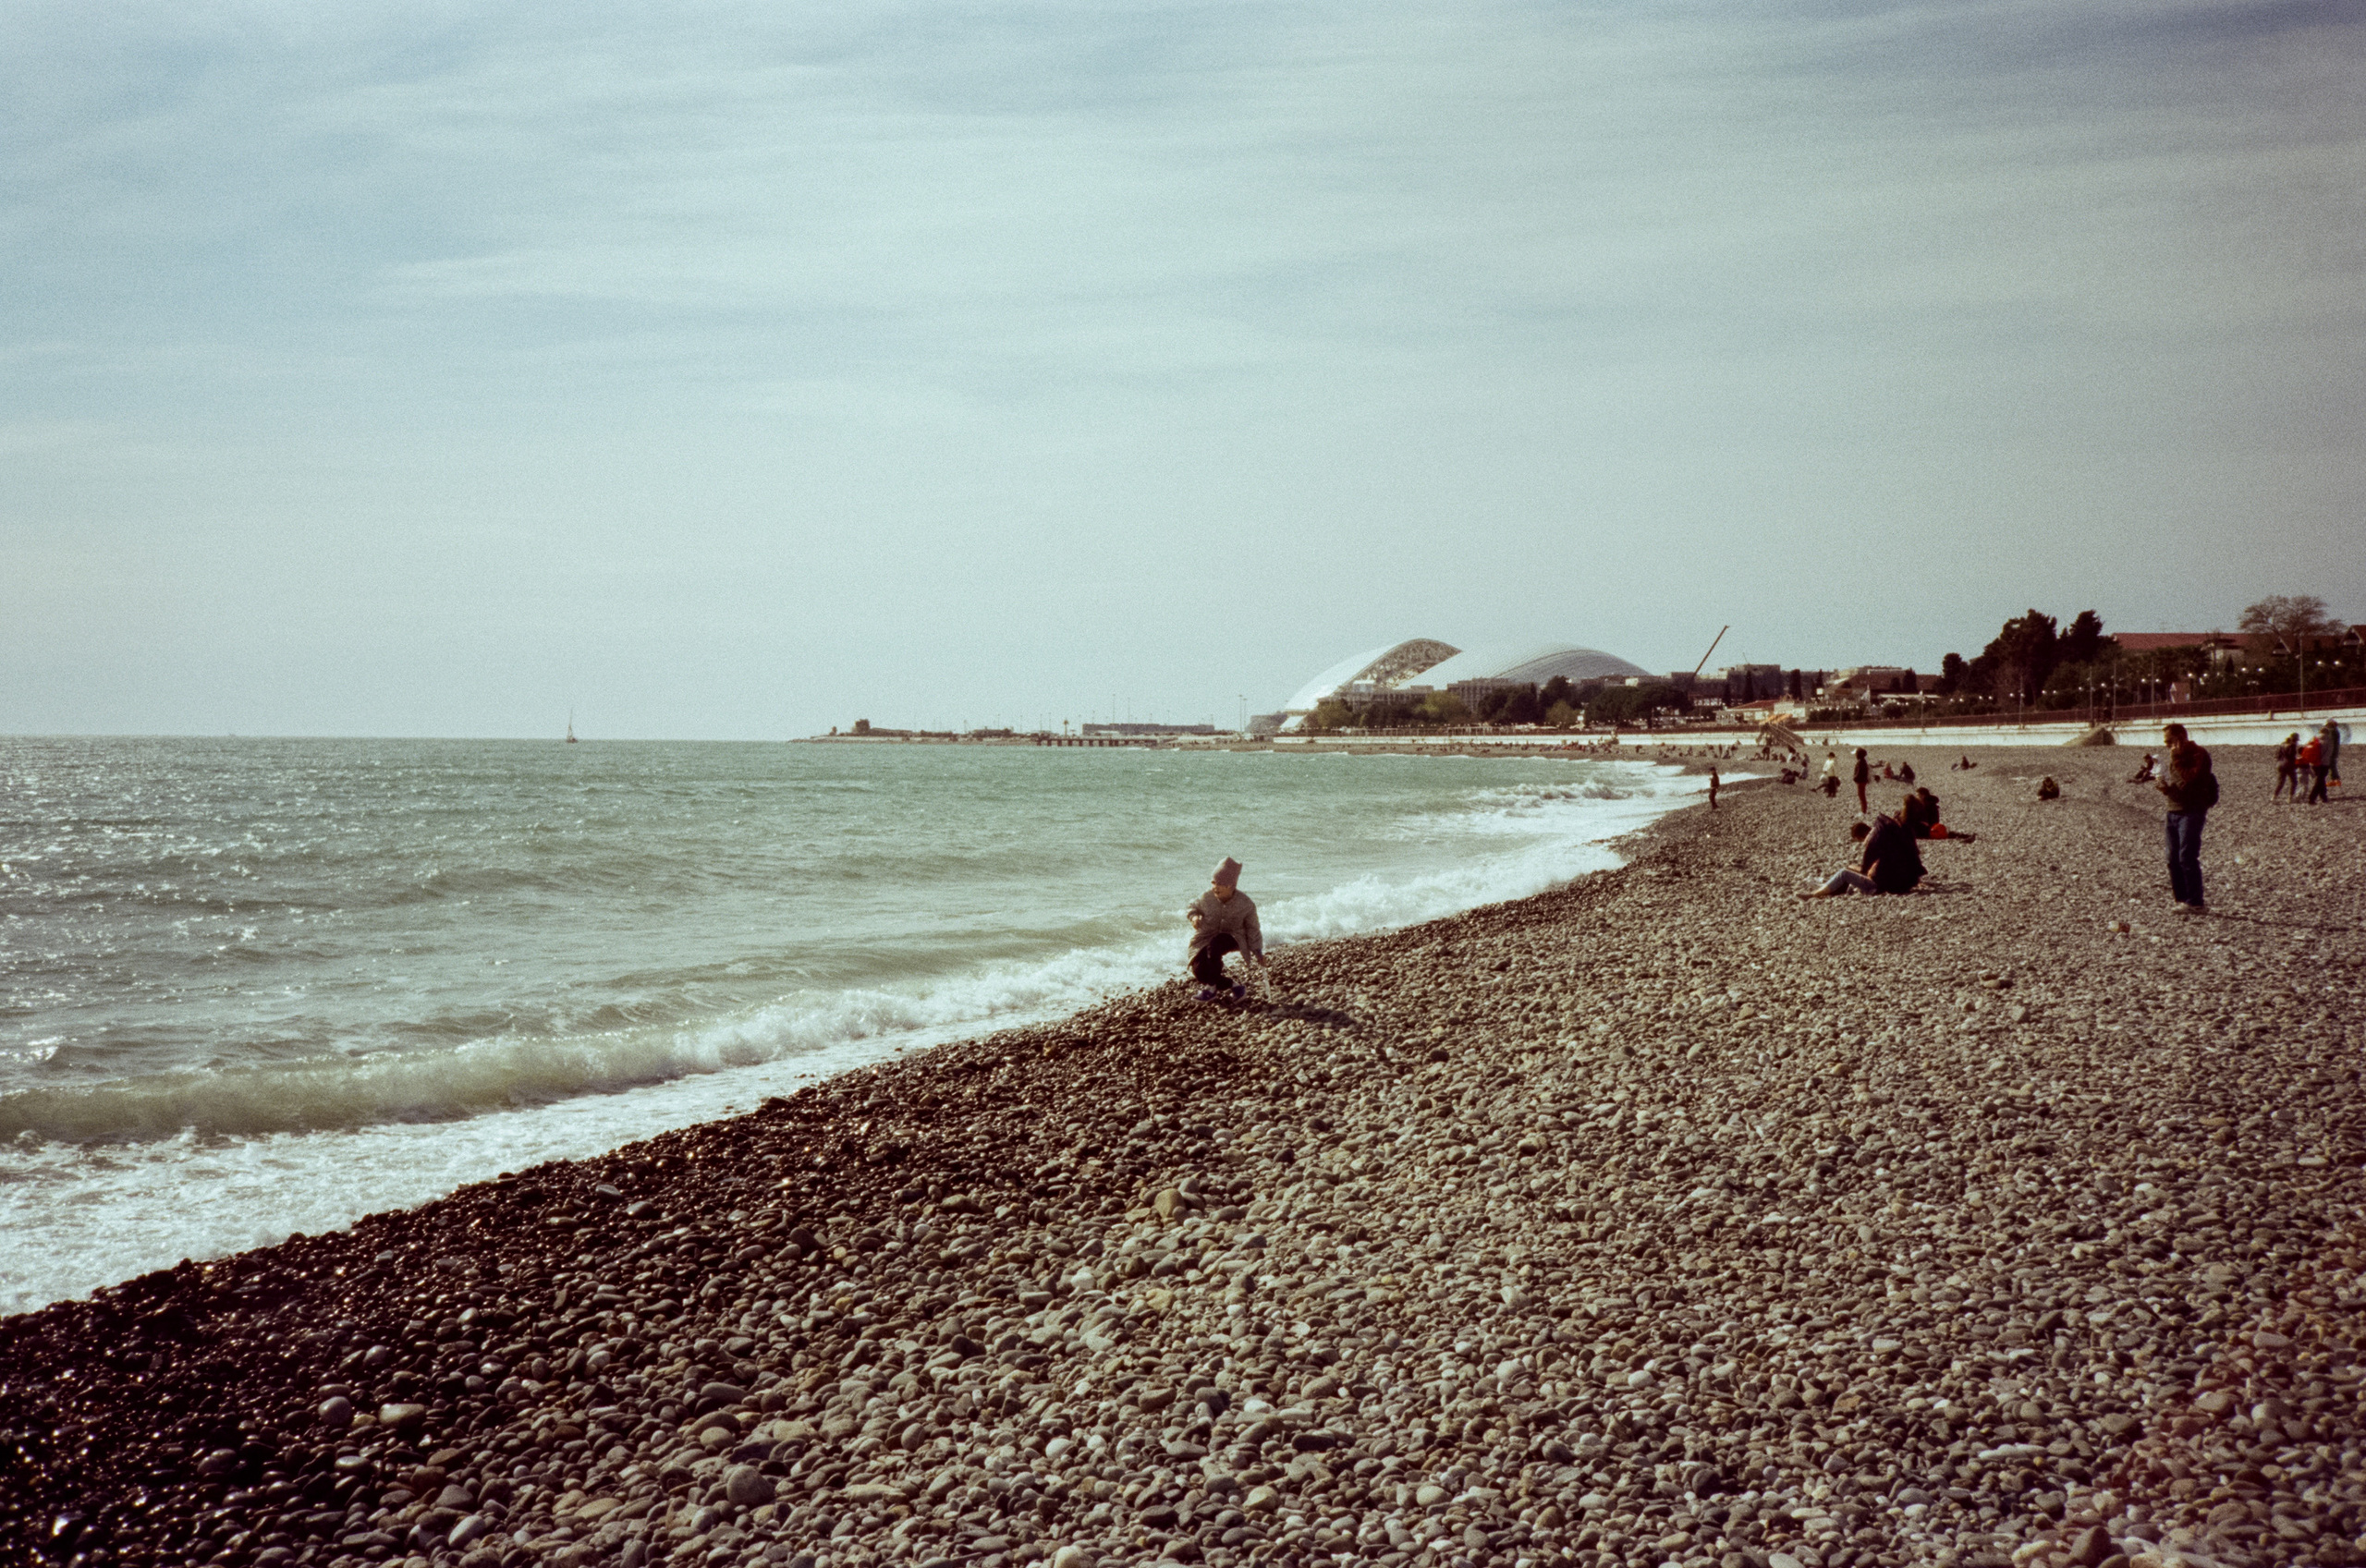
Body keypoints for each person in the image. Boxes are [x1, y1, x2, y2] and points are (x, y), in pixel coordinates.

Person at [1800, 800, 1925, 897]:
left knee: (1844, 872)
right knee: (1850, 869)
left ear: (1861, 836)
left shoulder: (1874, 841)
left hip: (1879, 885)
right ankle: (1826, 887)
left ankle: (1814, 894)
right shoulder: (1894, 838)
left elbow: (1867, 869)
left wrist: (1859, 869)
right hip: (1896, 882)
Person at [1185, 857, 1268, 999]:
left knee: (1216, 944)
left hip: (1234, 936)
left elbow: (1253, 928)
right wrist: (1194, 916)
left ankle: (1210, 990)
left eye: (1219, 884)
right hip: (1206, 936)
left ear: (1230, 885)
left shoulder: (1246, 904)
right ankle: (1236, 987)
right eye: (1213, 882)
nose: (1214, 887)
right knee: (1199, 970)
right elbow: (1192, 907)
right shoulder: (1206, 897)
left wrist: (1258, 950)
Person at [2156, 723, 2215, 913]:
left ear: (2181, 737)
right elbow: (2179, 784)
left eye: (2169, 741)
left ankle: (2196, 902)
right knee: (2172, 858)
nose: (2167, 746)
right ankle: (2182, 900)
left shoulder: (2199, 755)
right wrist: (2165, 789)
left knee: (2187, 856)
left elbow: (2189, 781)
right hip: (2173, 810)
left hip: (2192, 811)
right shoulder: (2177, 757)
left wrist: (2176, 758)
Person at [2299, 733, 2327, 805]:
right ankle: (2312, 798)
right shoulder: (2323, 744)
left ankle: (2323, 796)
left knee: (2321, 780)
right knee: (2319, 781)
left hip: (2312, 764)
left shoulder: (2311, 744)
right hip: (2320, 764)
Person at [2274, 734, 2299, 803]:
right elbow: (2291, 756)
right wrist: (2296, 764)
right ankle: (2290, 798)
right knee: (2294, 782)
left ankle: (2274, 797)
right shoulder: (2292, 746)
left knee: (2281, 782)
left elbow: (2278, 755)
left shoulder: (2282, 744)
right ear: (2296, 740)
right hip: (2289, 765)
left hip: (2280, 764)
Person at [2323, 718, 2344, 792]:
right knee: (2332, 765)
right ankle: (2335, 779)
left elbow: (2330, 742)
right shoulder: (2336, 730)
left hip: (2331, 751)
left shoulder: (2332, 731)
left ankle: (2335, 780)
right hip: (2335, 751)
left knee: (2331, 765)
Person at [1852, 748, 1872, 815]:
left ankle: (1863, 811)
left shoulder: (1861, 762)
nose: (1855, 755)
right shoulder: (1863, 761)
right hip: (1862, 781)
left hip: (1861, 781)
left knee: (1861, 795)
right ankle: (1863, 810)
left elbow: (1859, 772)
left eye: (1856, 754)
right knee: (1861, 795)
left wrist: (1855, 778)